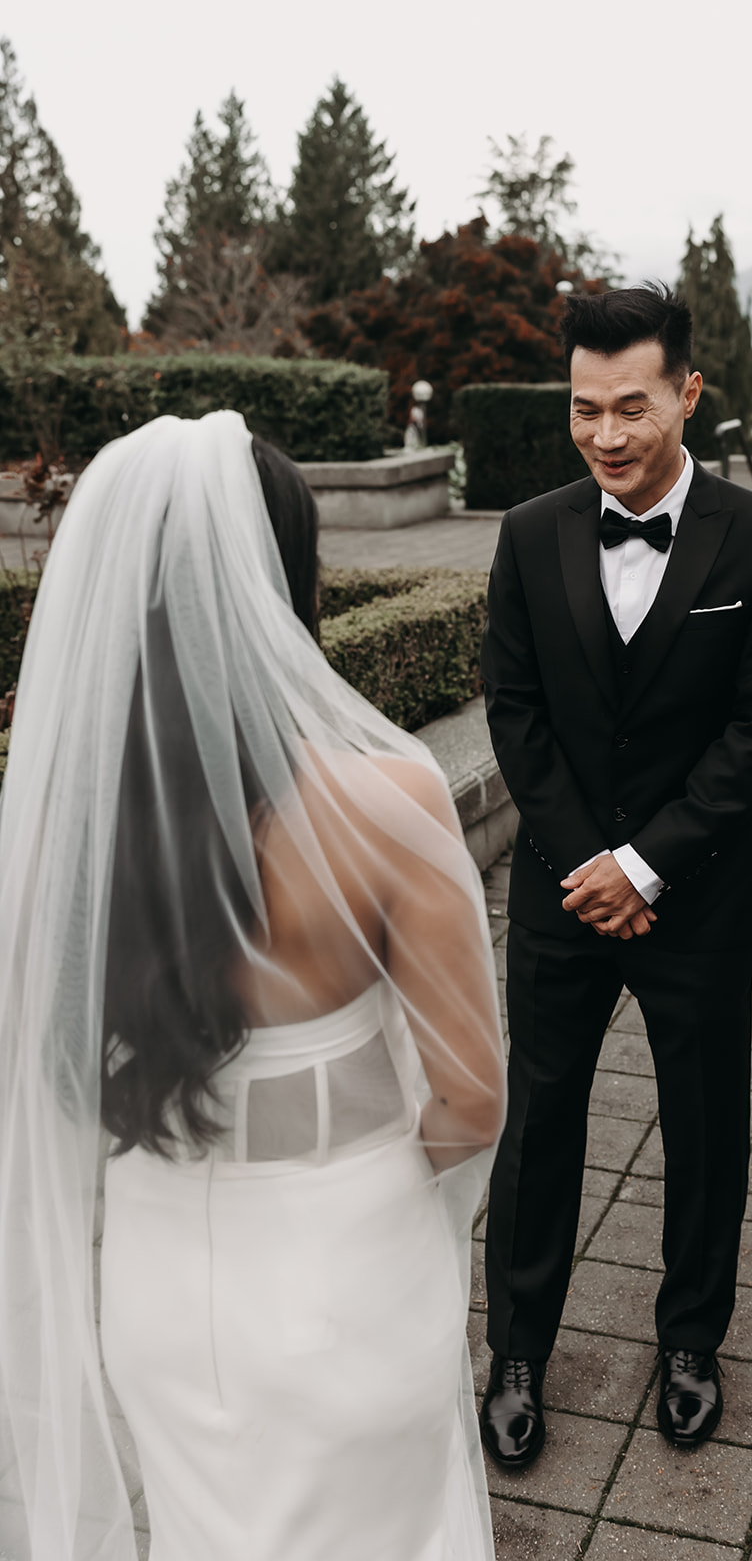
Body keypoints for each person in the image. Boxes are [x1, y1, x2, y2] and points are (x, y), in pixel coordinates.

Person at [0, 412, 506, 1560]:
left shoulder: (69, 820)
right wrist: (366, 1175)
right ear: (284, 579)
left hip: (160, 1288)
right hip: (346, 1278)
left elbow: (57, 1054)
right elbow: (473, 1099)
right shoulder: (386, 800)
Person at [479, 284, 752, 1466]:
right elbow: (514, 719)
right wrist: (588, 861)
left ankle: (689, 1340)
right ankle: (516, 1350)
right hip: (560, 894)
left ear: (686, 392)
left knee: (704, 1126)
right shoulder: (527, 535)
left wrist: (648, 864)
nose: (607, 436)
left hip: (699, 891)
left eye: (631, 407)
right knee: (537, 1126)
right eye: (583, 411)